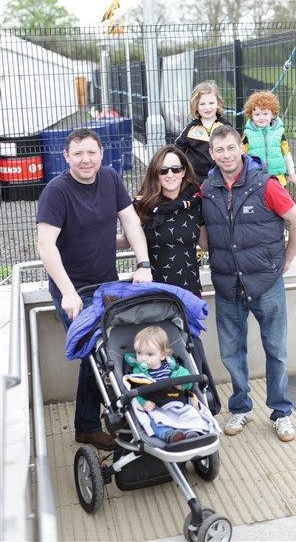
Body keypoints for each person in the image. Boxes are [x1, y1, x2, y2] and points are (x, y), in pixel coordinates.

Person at [36, 127, 152, 451]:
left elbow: (131, 222)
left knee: (118, 348)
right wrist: (68, 292)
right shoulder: (56, 192)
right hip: (73, 290)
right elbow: (45, 246)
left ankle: (125, 412)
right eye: (78, 153)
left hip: (107, 284)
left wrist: (143, 265)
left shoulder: (111, 178)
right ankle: (87, 426)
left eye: (91, 152)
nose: (85, 159)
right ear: (66, 157)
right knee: (94, 353)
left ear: (101, 154)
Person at [201, 125, 296, 441]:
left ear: (241, 148)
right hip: (228, 286)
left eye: (231, 148)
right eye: (219, 150)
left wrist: (287, 260)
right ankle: (240, 407)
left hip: (266, 284)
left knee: (276, 350)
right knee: (231, 352)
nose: (226, 155)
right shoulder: (207, 189)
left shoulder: (266, 184)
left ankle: (281, 412)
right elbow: (205, 238)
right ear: (212, 154)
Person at [117, 145, 221, 414]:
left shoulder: (196, 203)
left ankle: (199, 404)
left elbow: (207, 243)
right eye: (164, 170)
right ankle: (156, 406)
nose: (170, 175)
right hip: (155, 291)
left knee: (190, 347)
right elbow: (126, 241)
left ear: (184, 171)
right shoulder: (142, 206)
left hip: (188, 290)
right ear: (155, 173)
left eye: (176, 168)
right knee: (157, 350)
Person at [124, 326, 216, 443]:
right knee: (154, 421)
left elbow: (187, 378)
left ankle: (192, 432)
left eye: (149, 354)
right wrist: (143, 402)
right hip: (156, 406)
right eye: (138, 353)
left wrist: (182, 385)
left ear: (163, 355)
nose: (143, 358)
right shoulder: (138, 372)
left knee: (190, 413)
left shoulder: (172, 366)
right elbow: (134, 390)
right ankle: (169, 434)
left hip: (177, 402)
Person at [175, 80, 231, 183]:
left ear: (218, 103)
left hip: (221, 179)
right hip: (195, 181)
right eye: (202, 104)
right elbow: (178, 149)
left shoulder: (226, 126)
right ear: (196, 106)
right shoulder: (190, 128)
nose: (207, 108)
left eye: (211, 103)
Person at [242, 90, 296, 187]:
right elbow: (241, 155)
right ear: (251, 115)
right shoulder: (248, 134)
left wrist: (291, 173)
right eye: (257, 114)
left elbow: (286, 154)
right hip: (255, 179)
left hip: (277, 179)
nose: (261, 118)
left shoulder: (279, 133)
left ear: (272, 114)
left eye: (265, 114)